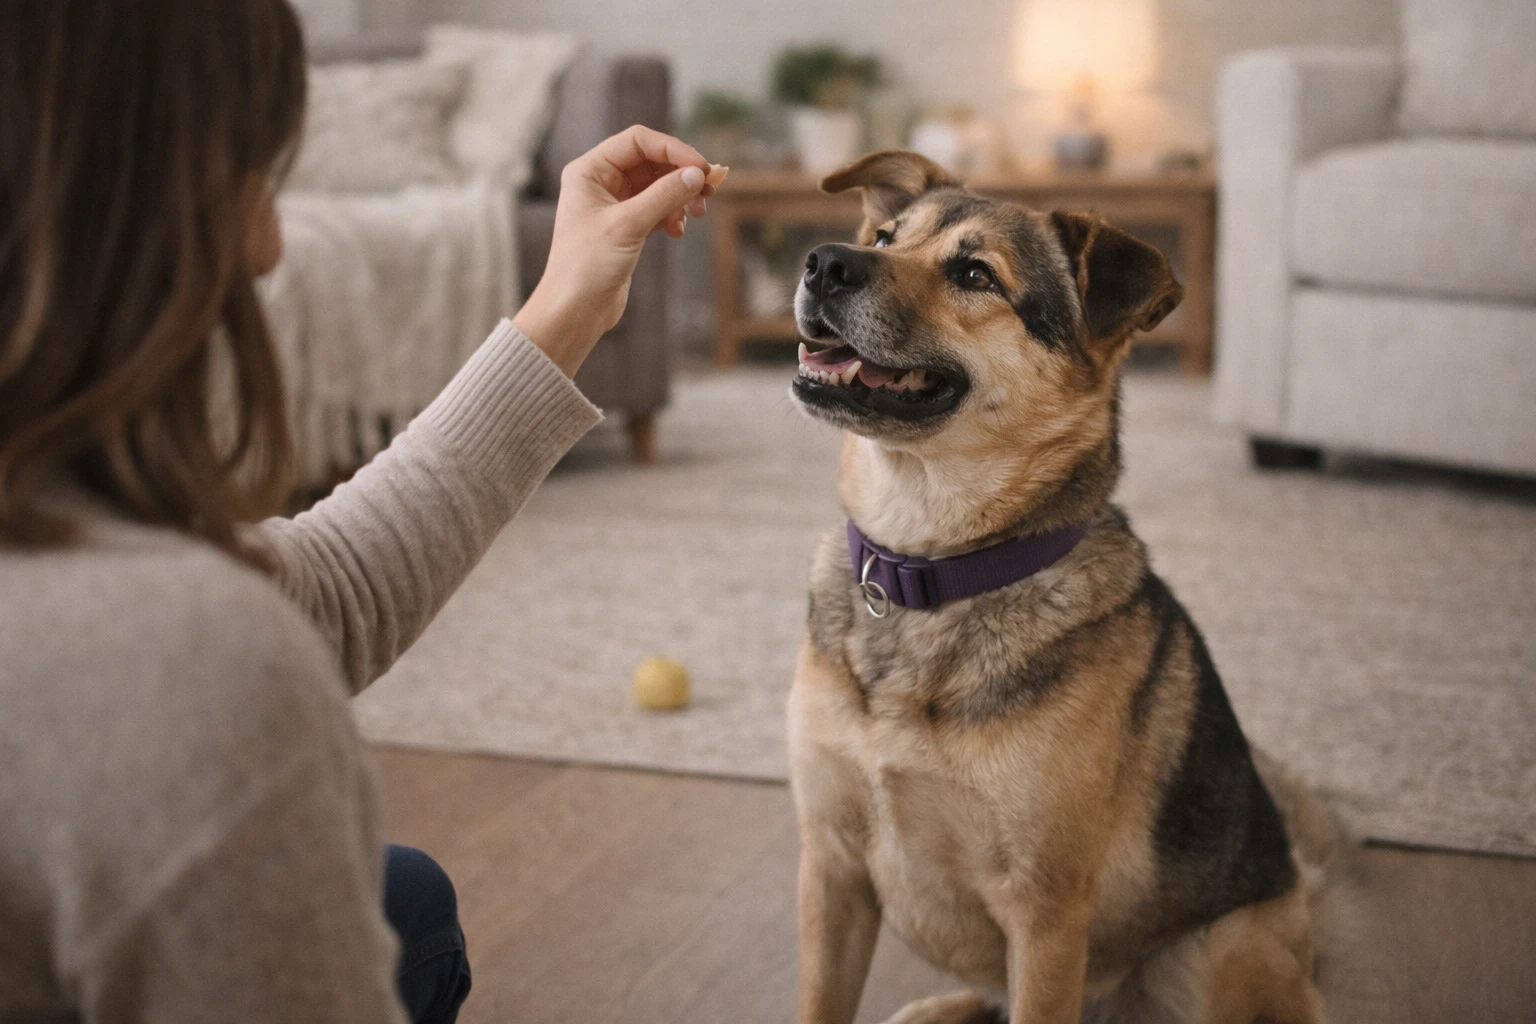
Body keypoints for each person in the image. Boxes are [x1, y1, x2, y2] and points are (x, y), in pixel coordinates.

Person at [0, 1, 715, 1020]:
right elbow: (231, 642)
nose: (270, 249)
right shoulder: (184, 665)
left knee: (404, 893)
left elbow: (317, 595)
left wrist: (566, 310)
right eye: (255, 176)